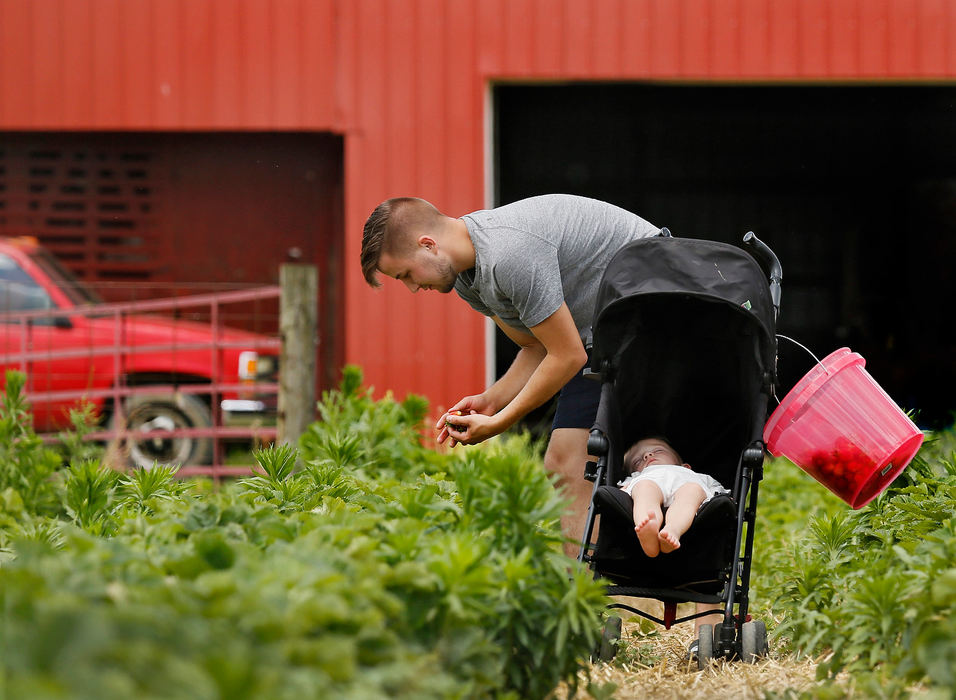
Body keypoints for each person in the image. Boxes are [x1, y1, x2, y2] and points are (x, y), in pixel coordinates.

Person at [360, 193, 660, 549]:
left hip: (654, 309)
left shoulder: (508, 255)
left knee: (584, 461)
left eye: (406, 274)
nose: (411, 288)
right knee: (565, 465)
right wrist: (490, 400)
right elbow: (537, 346)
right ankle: (583, 594)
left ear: (428, 245)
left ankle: (592, 587)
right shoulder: (468, 280)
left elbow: (566, 356)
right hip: (603, 334)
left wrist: (500, 422)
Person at [619, 436, 730, 558]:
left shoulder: (692, 474)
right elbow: (622, 493)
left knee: (693, 490)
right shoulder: (638, 477)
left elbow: (716, 490)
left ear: (685, 466)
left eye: (658, 451)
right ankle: (648, 526)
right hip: (649, 481)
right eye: (637, 461)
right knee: (643, 489)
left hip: (685, 486)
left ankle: (673, 529)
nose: (647, 455)